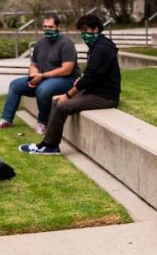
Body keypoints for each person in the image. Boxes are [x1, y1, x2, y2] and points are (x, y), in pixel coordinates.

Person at [18, 13, 120, 155]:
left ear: (96, 29)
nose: (84, 34)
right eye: (82, 31)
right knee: (56, 102)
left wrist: (68, 94)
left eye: (86, 30)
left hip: (104, 96)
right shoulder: (97, 45)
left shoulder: (102, 48)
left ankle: (50, 146)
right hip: (94, 90)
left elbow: (90, 78)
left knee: (62, 105)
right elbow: (92, 75)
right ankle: (48, 143)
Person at [0, 14, 79, 135]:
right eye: (45, 27)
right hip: (44, 78)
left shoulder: (66, 44)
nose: (47, 29)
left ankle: (42, 123)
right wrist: (33, 76)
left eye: (50, 27)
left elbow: (67, 69)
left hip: (66, 80)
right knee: (15, 85)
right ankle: (6, 120)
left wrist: (42, 76)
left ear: (58, 27)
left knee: (43, 89)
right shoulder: (40, 44)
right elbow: (34, 64)